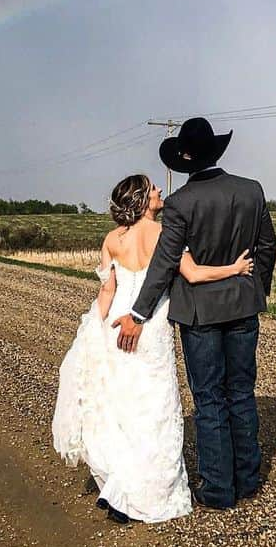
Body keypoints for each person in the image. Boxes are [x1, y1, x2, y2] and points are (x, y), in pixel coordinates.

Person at [52, 174, 254, 524]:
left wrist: (93, 330)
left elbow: (106, 292)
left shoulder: (112, 239)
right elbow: (193, 275)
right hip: (151, 324)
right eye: (154, 188)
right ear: (145, 200)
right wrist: (234, 269)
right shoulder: (164, 234)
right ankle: (147, 492)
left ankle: (119, 486)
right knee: (155, 406)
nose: (161, 190)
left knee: (123, 405)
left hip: (117, 323)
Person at [114, 118, 276, 511]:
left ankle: (219, 488)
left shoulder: (182, 204)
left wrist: (138, 313)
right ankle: (248, 479)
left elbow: (165, 263)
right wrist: (255, 290)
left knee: (209, 399)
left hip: (200, 316)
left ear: (185, 159)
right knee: (240, 392)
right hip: (243, 307)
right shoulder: (251, 190)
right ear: (216, 152)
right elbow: (268, 247)